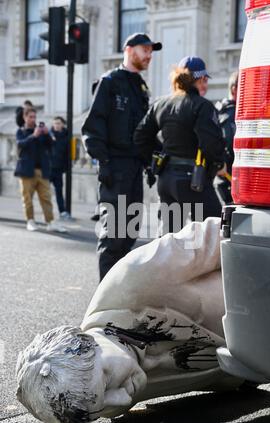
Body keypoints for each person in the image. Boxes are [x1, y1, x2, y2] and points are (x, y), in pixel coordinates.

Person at [16, 218, 246, 423]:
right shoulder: (99, 397)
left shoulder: (140, 275)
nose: (122, 400)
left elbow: (233, 232)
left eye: (106, 383)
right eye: (100, 410)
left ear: (90, 340)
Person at [81, 33, 162, 281]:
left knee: (129, 234)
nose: (149, 55)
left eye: (151, 51)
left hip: (134, 169)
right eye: (144, 49)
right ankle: (102, 304)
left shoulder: (140, 87)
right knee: (113, 235)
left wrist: (151, 160)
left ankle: (117, 295)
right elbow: (92, 127)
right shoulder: (109, 82)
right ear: (129, 50)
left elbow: (142, 131)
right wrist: (103, 162)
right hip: (114, 168)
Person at [134, 56, 226, 234]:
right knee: (213, 231)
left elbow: (140, 137)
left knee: (169, 237)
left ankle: (167, 263)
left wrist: (159, 157)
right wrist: (218, 164)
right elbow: (211, 145)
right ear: (197, 80)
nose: (206, 85)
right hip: (194, 181)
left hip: (167, 179)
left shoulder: (161, 104)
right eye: (204, 80)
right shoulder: (202, 106)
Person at [14, 108, 67, 233]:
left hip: (42, 170)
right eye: (30, 117)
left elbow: (52, 145)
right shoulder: (21, 131)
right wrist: (33, 135)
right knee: (27, 198)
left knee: (46, 198)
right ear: (25, 117)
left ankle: (50, 222)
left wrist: (47, 133)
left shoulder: (42, 132)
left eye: (34, 117)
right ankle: (30, 221)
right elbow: (20, 145)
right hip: (27, 171)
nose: (33, 119)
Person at [215, 71, 239, 204]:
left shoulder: (218, 110)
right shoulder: (231, 114)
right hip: (229, 179)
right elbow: (229, 144)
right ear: (234, 89)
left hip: (224, 178)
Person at [49, 116, 70, 220]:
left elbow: (67, 154)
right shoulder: (49, 135)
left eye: (58, 123)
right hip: (48, 169)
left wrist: (65, 168)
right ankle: (47, 212)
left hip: (58, 169)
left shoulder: (66, 137)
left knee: (59, 192)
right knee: (44, 191)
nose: (56, 125)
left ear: (62, 124)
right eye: (55, 123)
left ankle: (62, 211)